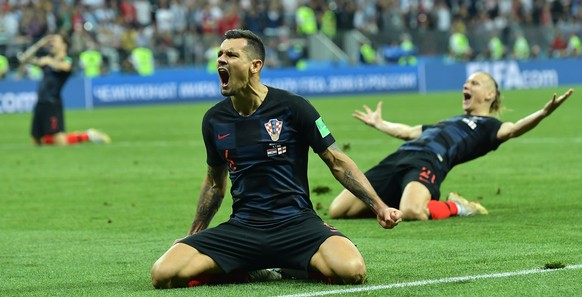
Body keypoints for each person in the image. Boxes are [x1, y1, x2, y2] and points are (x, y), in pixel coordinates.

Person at [150, 29, 401, 289]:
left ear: (255, 66)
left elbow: (337, 161)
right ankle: (253, 269)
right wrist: (194, 235)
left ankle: (286, 266)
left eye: (232, 55)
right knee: (163, 273)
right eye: (220, 54)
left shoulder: (293, 107)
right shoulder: (214, 120)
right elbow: (215, 184)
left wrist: (379, 207)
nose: (221, 60)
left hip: (297, 225)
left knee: (352, 271)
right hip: (243, 229)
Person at [329, 71, 574, 221]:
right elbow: (408, 132)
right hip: (398, 158)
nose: (466, 86)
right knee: (338, 210)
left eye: (475, 83)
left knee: (413, 212)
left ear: (489, 95)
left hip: (429, 163)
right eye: (466, 83)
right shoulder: (448, 122)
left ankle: (459, 206)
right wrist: (380, 124)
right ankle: (397, 199)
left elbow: (514, 129)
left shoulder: (489, 126)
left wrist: (542, 113)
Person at [18, 34, 111, 146]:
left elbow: (66, 67)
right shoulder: (47, 59)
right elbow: (24, 58)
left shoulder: (67, 59)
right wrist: (39, 44)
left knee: (60, 141)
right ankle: (86, 135)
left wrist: (49, 62)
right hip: (40, 103)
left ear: (64, 45)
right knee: (37, 141)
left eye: (55, 40)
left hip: (53, 103)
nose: (51, 43)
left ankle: (88, 136)